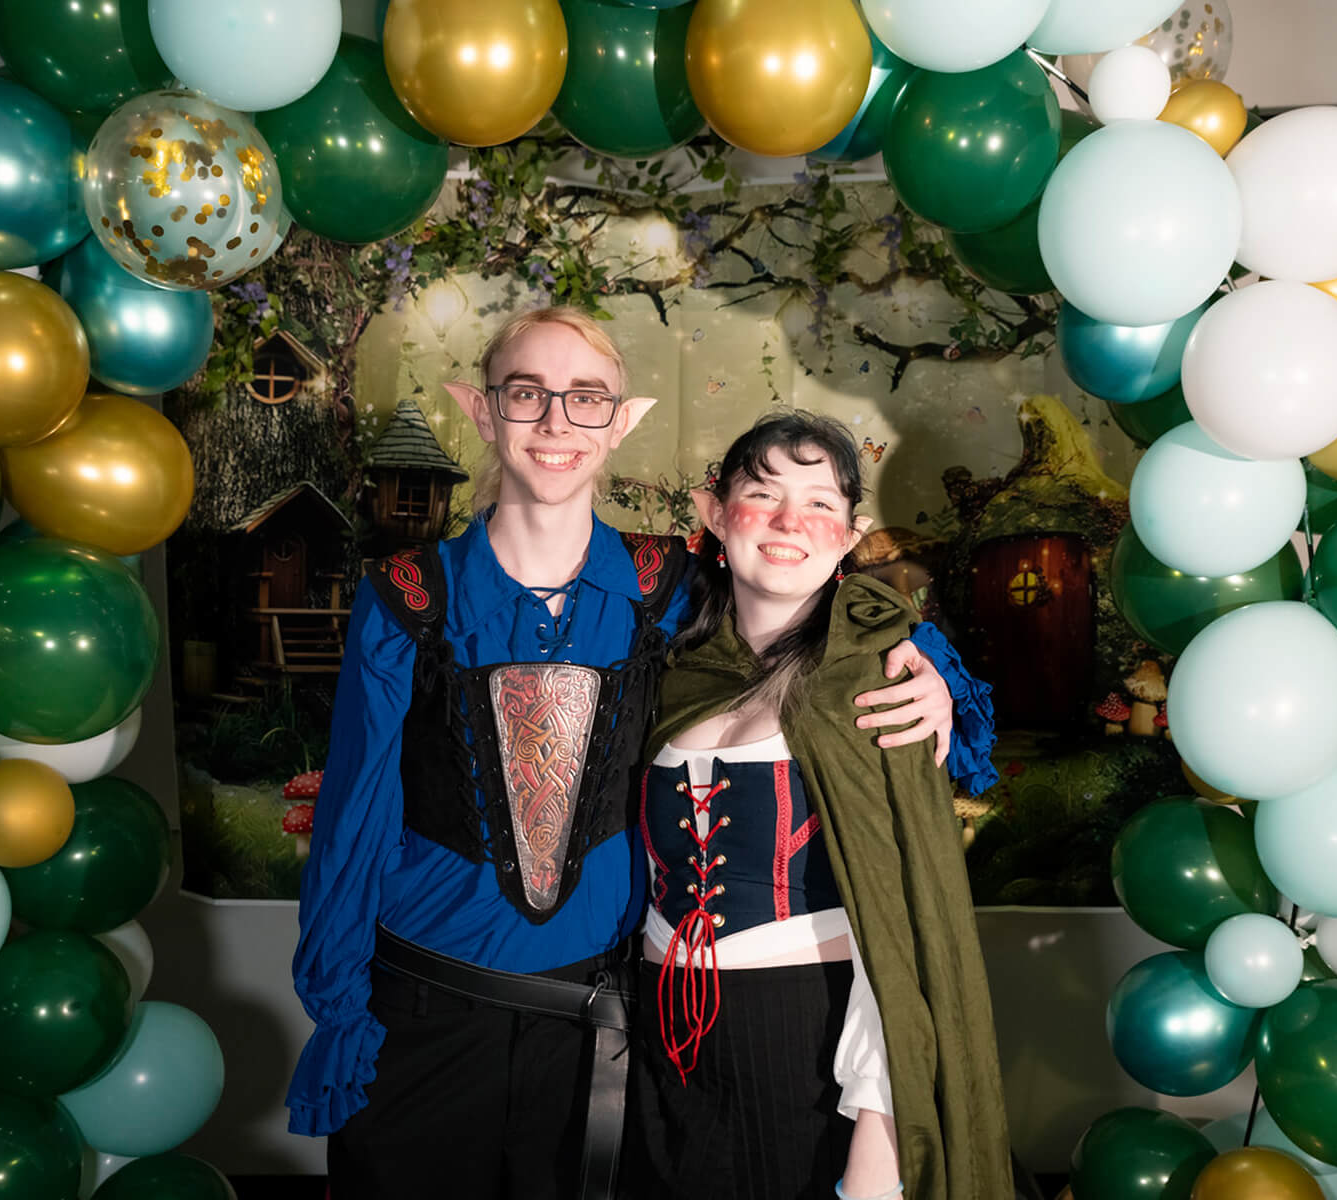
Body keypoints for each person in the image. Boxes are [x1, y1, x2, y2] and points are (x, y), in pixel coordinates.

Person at [285, 307, 995, 1200]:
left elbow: (804, 599)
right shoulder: (405, 596)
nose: (555, 422)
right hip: (425, 1014)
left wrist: (925, 663)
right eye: (526, 394)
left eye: (586, 399)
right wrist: (340, 1008)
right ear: (481, 409)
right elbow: (353, 822)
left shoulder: (668, 589)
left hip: (597, 1031)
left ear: (621, 421)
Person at [630, 411, 1010, 1200]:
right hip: (659, 1031)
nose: (787, 522)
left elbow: (903, 925)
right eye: (761, 494)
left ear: (850, 535)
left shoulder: (885, 681)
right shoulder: (664, 669)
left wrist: (879, 1131)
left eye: (818, 504)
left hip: (807, 1035)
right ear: (712, 514)